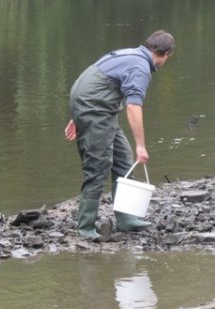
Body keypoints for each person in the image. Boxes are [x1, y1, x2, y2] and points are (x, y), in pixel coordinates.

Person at [64, 30, 175, 240]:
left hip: (95, 107)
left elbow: (94, 80)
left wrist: (78, 113)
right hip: (94, 109)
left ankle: (126, 218)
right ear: (166, 53)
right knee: (97, 165)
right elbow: (133, 107)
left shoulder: (129, 54)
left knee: (123, 158)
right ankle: (85, 227)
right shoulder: (140, 67)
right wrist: (141, 145)